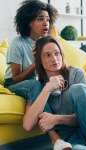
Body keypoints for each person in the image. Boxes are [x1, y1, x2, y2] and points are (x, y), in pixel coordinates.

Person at [23, 35, 86, 150]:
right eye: (47, 55)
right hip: (70, 138)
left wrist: (56, 119)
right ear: (39, 61)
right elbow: (27, 125)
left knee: (78, 89)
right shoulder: (39, 88)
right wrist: (47, 89)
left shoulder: (76, 74)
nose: (54, 59)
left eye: (57, 53)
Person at [4, 0, 72, 149]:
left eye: (47, 19)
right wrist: (36, 61)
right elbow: (15, 79)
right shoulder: (18, 43)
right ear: (29, 22)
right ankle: (55, 138)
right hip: (13, 84)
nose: (45, 23)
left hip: (35, 83)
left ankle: (70, 132)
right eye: (40, 19)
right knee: (36, 85)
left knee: (45, 85)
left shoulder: (44, 42)